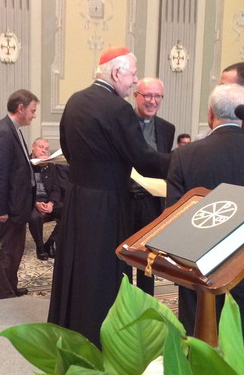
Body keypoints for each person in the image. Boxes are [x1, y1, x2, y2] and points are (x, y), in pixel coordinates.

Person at [47, 46, 170, 346]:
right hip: (107, 203)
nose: (135, 81)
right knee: (102, 272)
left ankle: (70, 327)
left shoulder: (75, 101)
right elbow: (143, 160)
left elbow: (67, 147)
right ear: (116, 73)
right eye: (133, 74)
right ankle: (99, 336)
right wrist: (184, 161)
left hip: (77, 199)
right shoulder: (118, 108)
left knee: (77, 266)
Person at [166, 83, 244, 375]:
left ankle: (201, 368)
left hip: (199, 261)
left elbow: (173, 214)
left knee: (199, 325)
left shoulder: (185, 155)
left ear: (210, 114)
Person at [0, 89, 39, 299]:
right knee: (7, 251)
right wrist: (0, 209)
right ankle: (4, 294)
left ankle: (11, 286)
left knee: (15, 249)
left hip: (18, 203)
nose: (34, 115)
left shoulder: (12, 129)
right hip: (9, 206)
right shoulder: (4, 132)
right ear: (21, 108)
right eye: (32, 111)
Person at [130, 77, 175, 294]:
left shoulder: (167, 129)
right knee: (122, 255)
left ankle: (146, 300)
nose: (152, 101)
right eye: (147, 95)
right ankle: (121, 301)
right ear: (135, 96)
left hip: (152, 203)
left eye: (157, 96)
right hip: (125, 200)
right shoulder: (122, 124)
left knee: (149, 258)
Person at [28, 138, 62, 261]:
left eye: (46, 149)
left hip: (48, 201)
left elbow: (56, 189)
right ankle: (40, 247)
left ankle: (50, 242)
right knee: (34, 217)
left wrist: (51, 203)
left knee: (69, 211)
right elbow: (22, 190)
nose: (44, 151)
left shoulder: (50, 165)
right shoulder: (25, 164)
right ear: (33, 147)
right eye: (41, 147)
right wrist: (36, 203)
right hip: (31, 202)